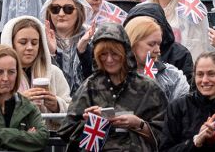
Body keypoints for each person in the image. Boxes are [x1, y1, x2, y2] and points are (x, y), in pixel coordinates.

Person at [59, 23, 168, 152]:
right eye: (103, 54)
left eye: (115, 54)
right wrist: (90, 122)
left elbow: (167, 134)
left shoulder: (149, 88)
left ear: (125, 53)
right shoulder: (89, 86)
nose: (109, 60)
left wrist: (139, 124)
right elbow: (66, 131)